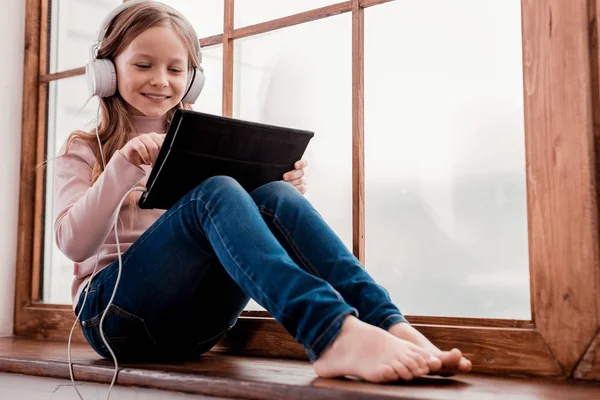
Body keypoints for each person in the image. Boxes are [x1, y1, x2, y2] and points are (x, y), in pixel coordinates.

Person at [54, 0, 472, 383]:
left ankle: (387, 324)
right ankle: (330, 332)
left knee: (272, 194)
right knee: (214, 191)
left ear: (192, 79)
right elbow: (73, 244)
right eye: (143, 65)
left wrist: (278, 192)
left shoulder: (201, 141)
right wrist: (122, 167)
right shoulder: (86, 147)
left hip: (197, 328)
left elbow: (247, 234)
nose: (160, 80)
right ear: (107, 70)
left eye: (175, 69)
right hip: (112, 318)